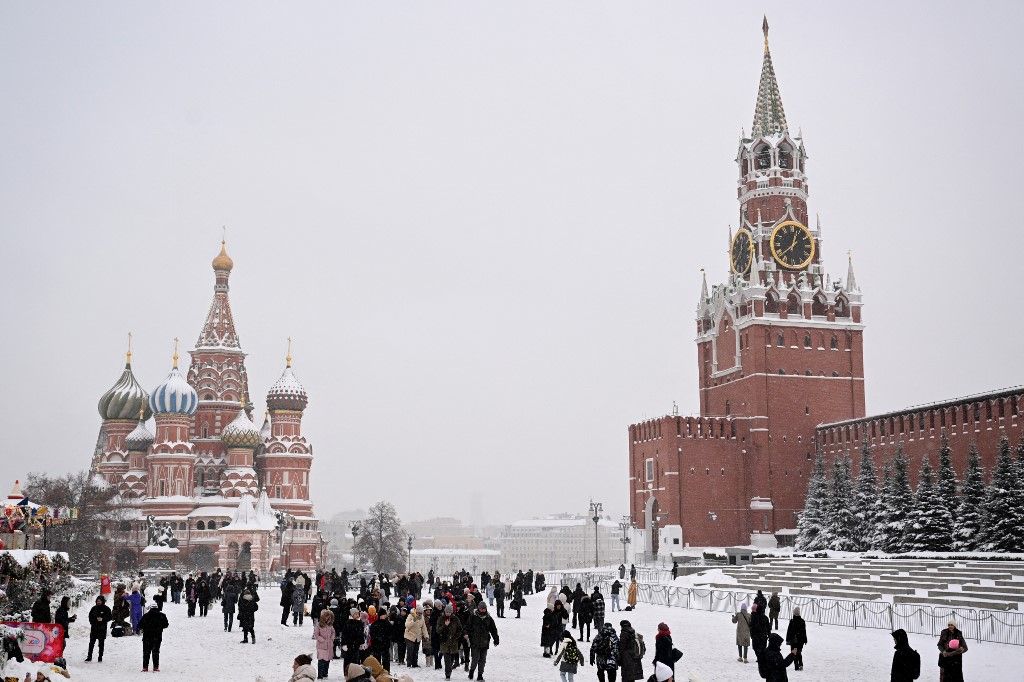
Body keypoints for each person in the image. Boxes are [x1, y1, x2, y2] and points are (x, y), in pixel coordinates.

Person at [465, 601, 499, 681]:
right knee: (475, 659)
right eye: (481, 609)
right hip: (475, 642)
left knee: (482, 660)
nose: (483, 610)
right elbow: (467, 627)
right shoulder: (473, 617)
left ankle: (480, 675)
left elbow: (493, 629)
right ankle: (471, 671)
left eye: (484, 609)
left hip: (485, 642)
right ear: (478, 608)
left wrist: (496, 639)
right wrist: (466, 634)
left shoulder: (488, 618)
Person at [437, 603, 464, 681]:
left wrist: (456, 637)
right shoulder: (441, 618)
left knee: (451, 659)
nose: (448, 613)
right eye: (447, 612)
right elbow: (438, 630)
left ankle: (449, 669)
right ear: (444, 611)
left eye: (449, 612)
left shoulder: (455, 619)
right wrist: (445, 625)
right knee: (446, 659)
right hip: (444, 642)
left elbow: (460, 629)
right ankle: (447, 675)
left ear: (452, 612)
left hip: (453, 642)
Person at [139, 603, 168, 672]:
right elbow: (166, 625)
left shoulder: (146, 616)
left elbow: (140, 625)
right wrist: (159, 627)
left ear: (150, 608)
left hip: (147, 636)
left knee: (146, 652)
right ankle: (156, 667)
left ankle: (145, 667)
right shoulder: (162, 615)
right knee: (156, 652)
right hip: (157, 636)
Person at [85, 595, 111, 663]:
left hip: (102, 629)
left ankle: (100, 657)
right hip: (94, 628)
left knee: (101, 644)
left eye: (99, 601)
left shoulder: (106, 609)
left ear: (102, 601)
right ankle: (89, 657)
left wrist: (103, 619)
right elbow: (90, 617)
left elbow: (110, 617)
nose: (98, 602)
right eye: (97, 601)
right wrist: (93, 622)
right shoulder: (93, 608)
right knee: (91, 643)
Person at [313, 609, 335, 679]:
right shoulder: (319, 625)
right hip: (321, 646)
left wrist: (332, 638)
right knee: (321, 660)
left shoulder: (330, 625)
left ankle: (325, 673)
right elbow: (316, 634)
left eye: (329, 617)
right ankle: (320, 675)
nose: (328, 618)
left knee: (327, 660)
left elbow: (333, 632)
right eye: (326, 616)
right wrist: (322, 640)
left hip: (329, 646)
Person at [784, 606, 807, 671]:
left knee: (794, 652)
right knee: (799, 652)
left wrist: (788, 639)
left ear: (794, 613)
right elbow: (804, 632)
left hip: (793, 640)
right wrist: (805, 640)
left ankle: (796, 666)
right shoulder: (802, 621)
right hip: (800, 640)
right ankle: (801, 664)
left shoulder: (792, 621)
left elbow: (789, 631)